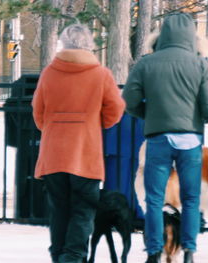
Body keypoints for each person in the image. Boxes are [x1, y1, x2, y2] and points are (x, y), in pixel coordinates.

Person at [123, 13, 208, 263]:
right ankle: (189, 252)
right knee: (191, 200)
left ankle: (153, 252)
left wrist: (149, 115)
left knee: (154, 199)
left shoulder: (146, 63)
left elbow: (129, 101)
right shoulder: (200, 65)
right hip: (190, 140)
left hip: (158, 138)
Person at [32, 24, 125, 263]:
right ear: (89, 44)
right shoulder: (101, 74)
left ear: (63, 44)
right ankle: (73, 257)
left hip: (53, 153)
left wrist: (53, 128)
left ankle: (59, 255)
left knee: (59, 211)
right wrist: (96, 124)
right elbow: (115, 110)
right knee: (84, 210)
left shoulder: (49, 73)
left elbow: (38, 112)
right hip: (85, 152)